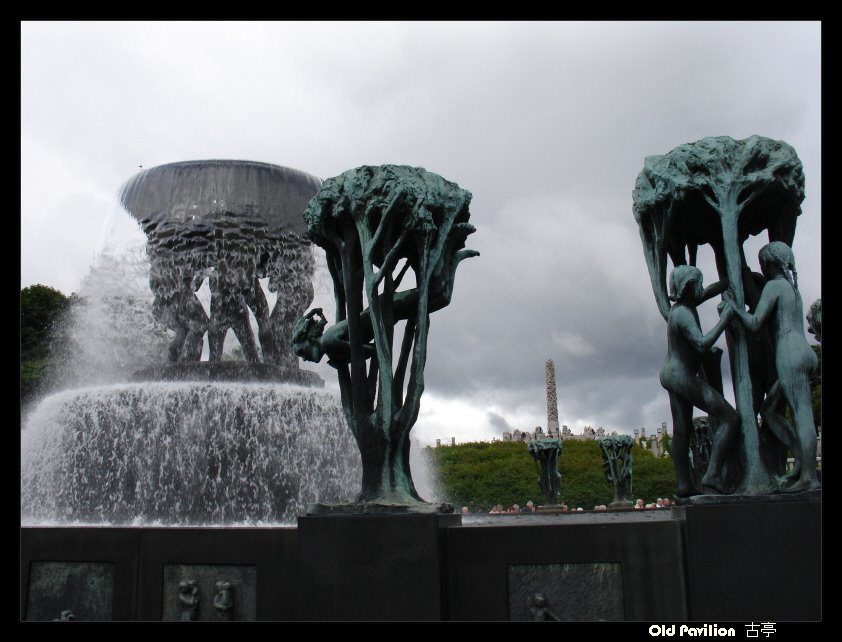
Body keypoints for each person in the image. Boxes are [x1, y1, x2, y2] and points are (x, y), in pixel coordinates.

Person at [721, 242, 820, 492]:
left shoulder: (775, 286)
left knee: (802, 413)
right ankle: (801, 459)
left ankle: (809, 477)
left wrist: (733, 308)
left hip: (789, 352)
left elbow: (754, 322)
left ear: (771, 262)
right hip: (803, 351)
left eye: (763, 263)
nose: (762, 268)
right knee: (769, 409)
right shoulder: (793, 289)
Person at [660, 265, 739, 496]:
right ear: (688, 287)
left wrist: (728, 279)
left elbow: (709, 291)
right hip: (681, 375)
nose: (702, 289)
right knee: (730, 419)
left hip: (670, 373)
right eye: (698, 284)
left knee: (682, 430)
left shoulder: (683, 305)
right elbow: (701, 343)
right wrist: (725, 318)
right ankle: (713, 474)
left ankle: (684, 484)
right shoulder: (684, 313)